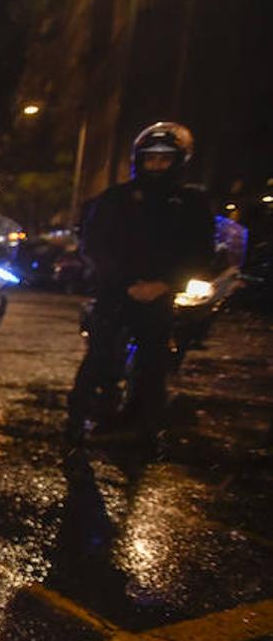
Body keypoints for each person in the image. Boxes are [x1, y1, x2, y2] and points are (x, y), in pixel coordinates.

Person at [65, 121, 214, 455]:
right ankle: (75, 423)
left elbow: (201, 251)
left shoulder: (191, 203)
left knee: (153, 366)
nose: (157, 166)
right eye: (151, 159)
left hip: (160, 296)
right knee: (99, 357)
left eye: (165, 160)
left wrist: (164, 284)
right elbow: (94, 244)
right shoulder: (116, 199)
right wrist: (123, 282)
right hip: (116, 293)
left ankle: (146, 433)